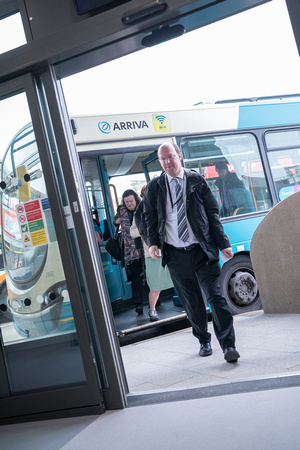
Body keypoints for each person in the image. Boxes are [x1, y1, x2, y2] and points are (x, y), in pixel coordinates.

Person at [142, 142, 240, 363]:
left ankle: (228, 345)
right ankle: (203, 340)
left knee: (216, 298)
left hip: (202, 251)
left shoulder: (196, 180)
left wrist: (223, 242)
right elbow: (149, 216)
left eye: (170, 157)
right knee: (193, 303)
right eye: (163, 159)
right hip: (175, 254)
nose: (167, 162)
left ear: (179, 156)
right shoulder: (156, 186)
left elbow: (212, 213)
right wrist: (153, 243)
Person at [130, 185, 174, 322]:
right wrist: (146, 232)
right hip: (151, 252)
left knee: (178, 280)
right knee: (156, 286)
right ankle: (152, 310)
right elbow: (133, 232)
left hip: (169, 249)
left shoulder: (162, 205)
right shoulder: (140, 211)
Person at [114, 189, 144, 315]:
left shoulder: (142, 209)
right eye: (126, 202)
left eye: (131, 201)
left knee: (150, 275)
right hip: (130, 251)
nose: (129, 204)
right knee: (135, 278)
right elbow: (115, 220)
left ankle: (155, 300)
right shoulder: (121, 211)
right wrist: (117, 221)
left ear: (136, 200)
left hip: (144, 248)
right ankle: (139, 304)